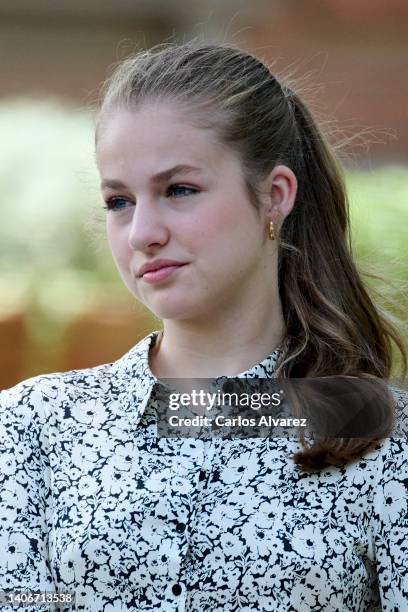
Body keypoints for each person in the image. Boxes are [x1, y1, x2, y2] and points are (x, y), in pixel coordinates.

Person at [0, 39, 407, 612]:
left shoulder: (383, 437)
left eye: (179, 190)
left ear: (274, 195)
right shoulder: (33, 428)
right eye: (119, 201)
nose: (142, 232)